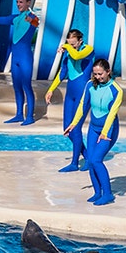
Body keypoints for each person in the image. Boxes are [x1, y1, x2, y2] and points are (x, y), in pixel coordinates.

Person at [64, 58, 121, 206]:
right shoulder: (90, 85)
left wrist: (105, 133)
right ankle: (97, 192)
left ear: (108, 72)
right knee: (90, 160)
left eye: (100, 74)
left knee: (96, 160)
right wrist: (74, 124)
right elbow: (83, 105)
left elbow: (112, 114)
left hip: (108, 130)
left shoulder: (116, 90)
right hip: (93, 128)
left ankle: (108, 194)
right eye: (95, 74)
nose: (98, 77)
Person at [45, 28, 93, 172]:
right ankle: (88, 157)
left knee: (76, 127)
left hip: (83, 93)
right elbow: (62, 72)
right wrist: (51, 89)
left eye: (73, 44)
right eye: (69, 44)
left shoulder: (88, 49)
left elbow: (77, 56)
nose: (71, 47)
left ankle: (74, 163)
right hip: (71, 93)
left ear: (80, 41)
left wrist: (66, 47)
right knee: (67, 129)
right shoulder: (69, 51)